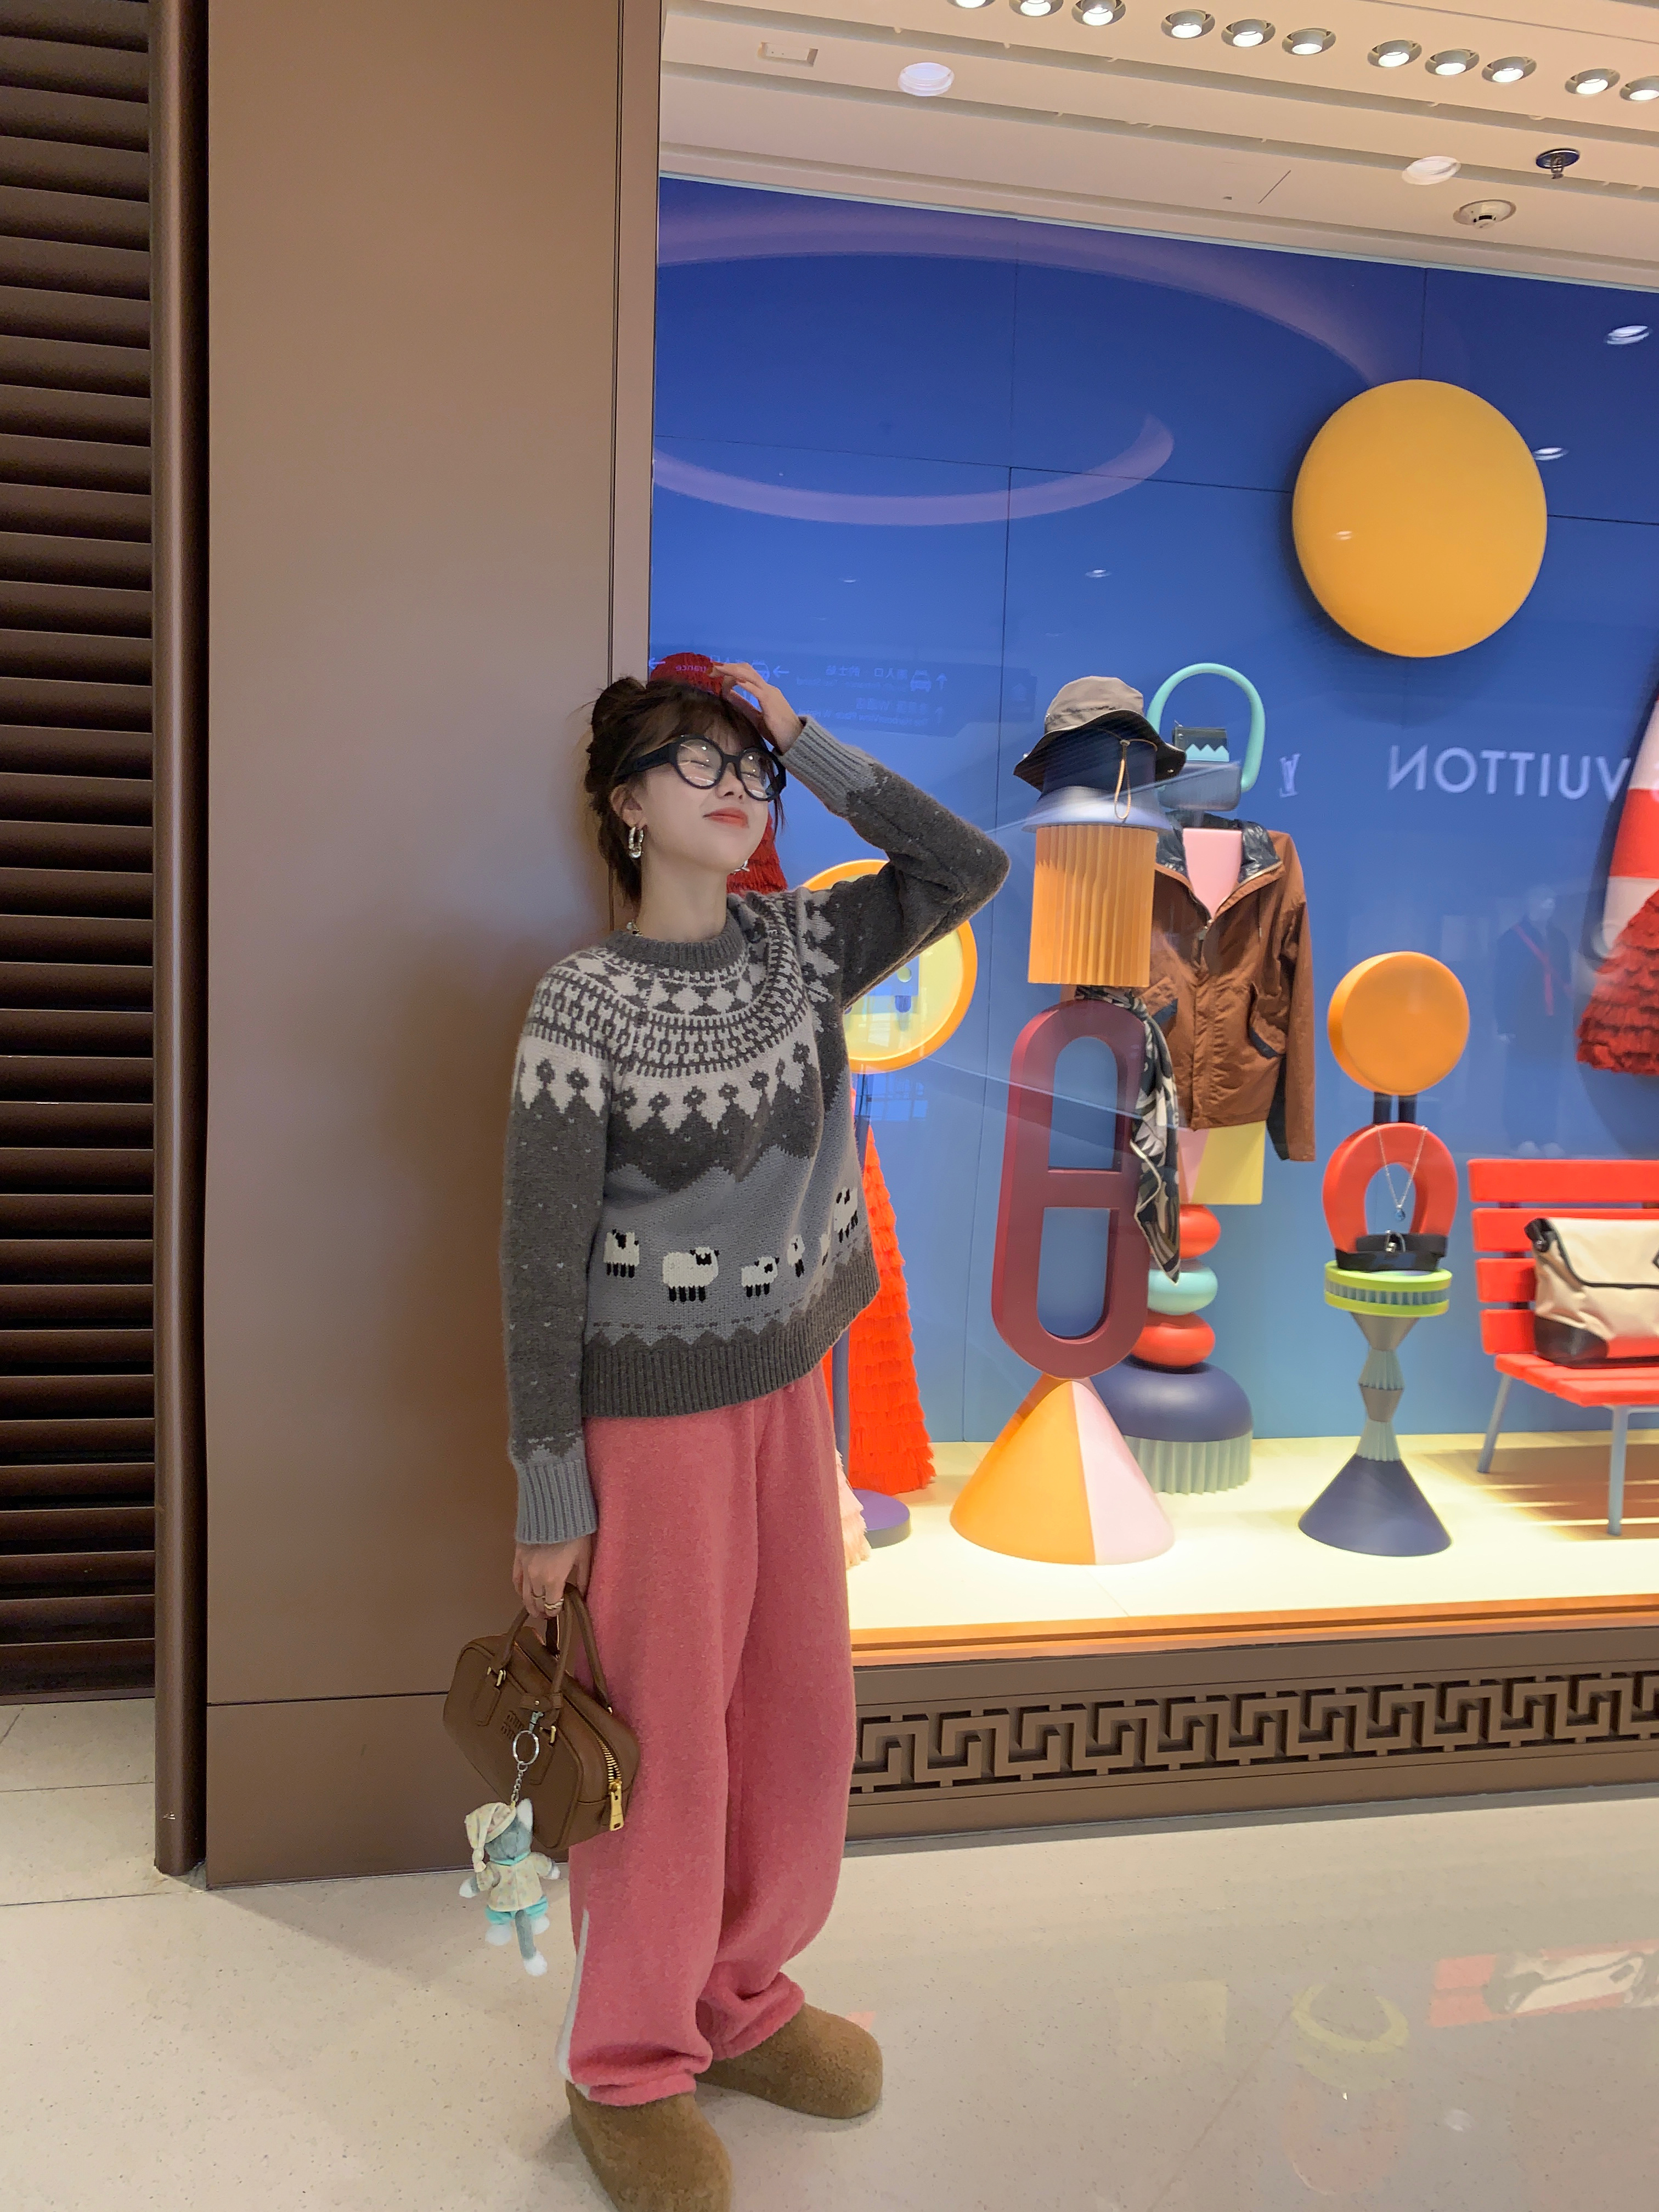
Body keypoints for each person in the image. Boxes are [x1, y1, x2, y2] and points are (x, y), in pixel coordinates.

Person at [500, 658, 1007, 2212]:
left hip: (789, 1393)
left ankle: (740, 1999)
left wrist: (805, 738)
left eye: (749, 767)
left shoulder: (801, 949)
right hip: (646, 1433)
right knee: (662, 1751)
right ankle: (625, 2062)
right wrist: (549, 1489)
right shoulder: (579, 1005)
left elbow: (965, 868)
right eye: (695, 760)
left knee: (798, 1717)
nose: (735, 785)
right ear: (624, 804)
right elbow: (537, 1264)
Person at [1494, 884, 1572, 1156]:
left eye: (1552, 899)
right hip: (1523, 1021)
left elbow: (1566, 980)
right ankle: (1521, 1137)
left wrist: (1566, 1018)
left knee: (1550, 1079)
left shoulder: (1559, 938)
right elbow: (1502, 983)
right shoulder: (1511, 939)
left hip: (1553, 1021)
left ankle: (1547, 1136)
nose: (1549, 905)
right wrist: (1504, 1024)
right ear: (1529, 902)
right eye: (1543, 899)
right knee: (1521, 1079)